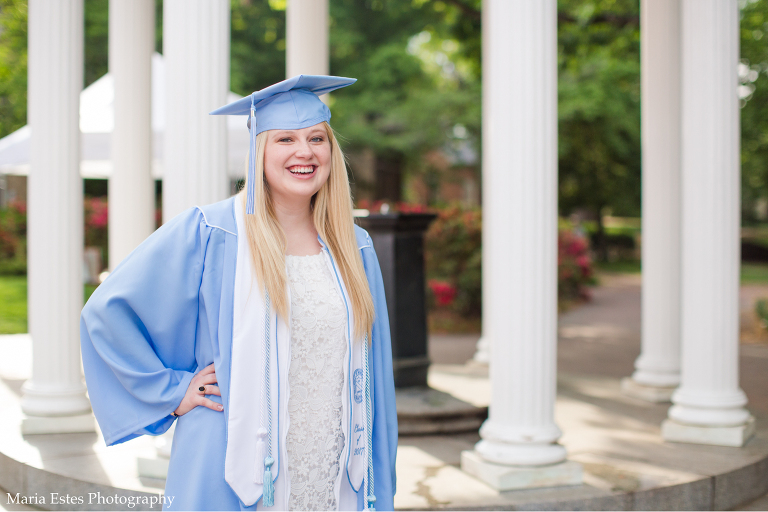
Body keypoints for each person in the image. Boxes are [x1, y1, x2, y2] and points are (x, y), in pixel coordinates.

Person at [80, 75, 398, 511]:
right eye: (285, 138)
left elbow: (376, 376)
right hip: (232, 462)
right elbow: (106, 312)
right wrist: (172, 392)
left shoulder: (353, 247)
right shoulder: (211, 232)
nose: (304, 152)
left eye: (316, 138)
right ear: (258, 150)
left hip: (332, 468)